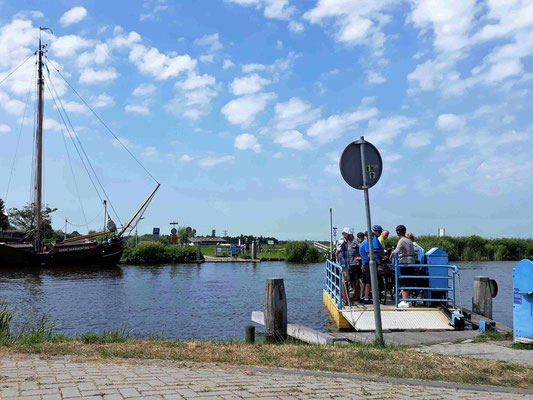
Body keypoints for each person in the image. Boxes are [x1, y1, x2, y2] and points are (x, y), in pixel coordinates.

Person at [390, 224, 416, 308]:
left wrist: (391, 254)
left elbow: (397, 250)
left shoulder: (401, 240)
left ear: (397, 232)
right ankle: (405, 300)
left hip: (405, 262)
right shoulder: (409, 240)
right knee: (407, 280)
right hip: (411, 261)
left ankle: (404, 301)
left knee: (403, 280)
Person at [358, 232, 372, 304]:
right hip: (367, 264)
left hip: (363, 263)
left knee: (363, 282)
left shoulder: (362, 243)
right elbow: (369, 255)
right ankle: (366, 298)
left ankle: (361, 297)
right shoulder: (366, 244)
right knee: (368, 282)